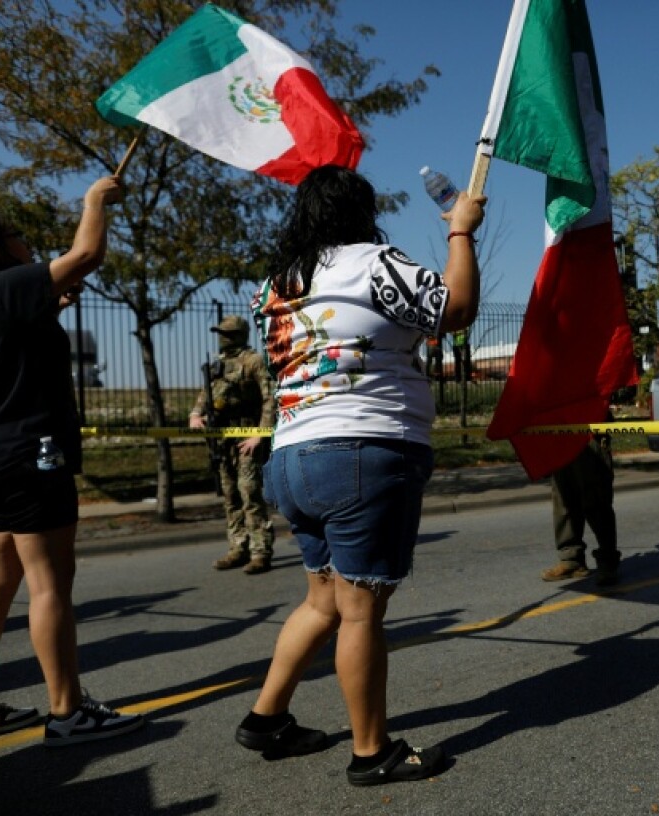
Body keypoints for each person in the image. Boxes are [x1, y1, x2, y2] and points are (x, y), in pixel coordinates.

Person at [239, 165, 484, 785]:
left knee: (322, 598)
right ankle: (373, 753)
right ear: (363, 212)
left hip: (291, 456)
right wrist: (461, 234)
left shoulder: (277, 284)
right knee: (360, 610)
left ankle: (267, 717)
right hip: (362, 450)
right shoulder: (374, 263)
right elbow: (454, 309)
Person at [0, 177, 145, 748]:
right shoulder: (4, 285)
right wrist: (93, 203)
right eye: (16, 235)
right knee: (50, 584)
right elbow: (85, 254)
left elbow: (9, 359)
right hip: (28, 455)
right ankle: (68, 711)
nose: (25, 244)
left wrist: (49, 306)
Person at [189, 314, 276, 574]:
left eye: (227, 333)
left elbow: (269, 398)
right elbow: (205, 395)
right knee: (229, 495)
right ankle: (238, 546)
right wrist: (195, 414)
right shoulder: (217, 366)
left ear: (239, 335)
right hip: (222, 438)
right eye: (220, 333)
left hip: (248, 434)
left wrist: (261, 434)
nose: (222, 338)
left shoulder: (254, 361)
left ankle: (260, 550)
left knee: (248, 490)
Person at [540, 431, 619, 587]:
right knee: (563, 499)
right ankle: (571, 559)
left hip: (588, 432)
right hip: (559, 434)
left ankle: (607, 561)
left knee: (596, 501)